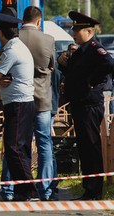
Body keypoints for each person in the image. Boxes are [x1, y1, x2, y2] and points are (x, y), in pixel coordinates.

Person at [57, 11, 114, 200]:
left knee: (91, 146)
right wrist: (62, 63)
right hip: (79, 103)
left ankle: (94, 190)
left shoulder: (94, 48)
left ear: (88, 31)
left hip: (89, 104)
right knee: (84, 147)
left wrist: (92, 80)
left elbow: (109, 64)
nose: (74, 32)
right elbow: (74, 73)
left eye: (77, 29)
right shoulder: (81, 50)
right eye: (73, 29)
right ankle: (88, 187)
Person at [0, 11, 37, 201]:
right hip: (22, 104)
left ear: (0, 32)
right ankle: (22, 191)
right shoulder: (18, 47)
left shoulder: (11, 50)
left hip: (18, 105)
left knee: (13, 148)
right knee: (21, 148)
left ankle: (29, 190)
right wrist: (1, 79)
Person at [18, 6, 56, 201]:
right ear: (39, 21)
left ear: (22, 19)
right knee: (44, 144)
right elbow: (52, 67)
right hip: (42, 99)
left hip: (20, 99)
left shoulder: (14, 39)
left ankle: (13, 189)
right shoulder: (48, 40)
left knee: (16, 144)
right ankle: (45, 189)